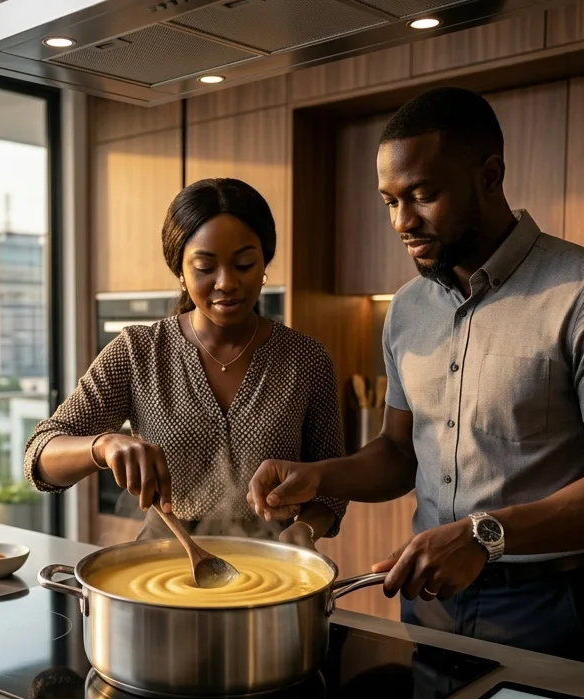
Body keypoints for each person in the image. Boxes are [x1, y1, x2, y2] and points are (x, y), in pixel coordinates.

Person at [246, 87, 584, 667]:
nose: (403, 221)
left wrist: (481, 534)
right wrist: (317, 476)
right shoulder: (407, 310)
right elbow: (400, 453)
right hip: (428, 603)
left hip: (545, 606)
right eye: (389, 201)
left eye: (422, 195)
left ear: (490, 175)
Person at [25, 178, 347, 547]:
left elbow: (331, 485)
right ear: (180, 271)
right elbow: (39, 456)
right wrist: (104, 446)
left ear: (264, 263)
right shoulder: (138, 352)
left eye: (243, 263)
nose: (226, 283)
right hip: (162, 559)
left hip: (275, 559)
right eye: (205, 267)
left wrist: (303, 531)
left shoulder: (305, 359)